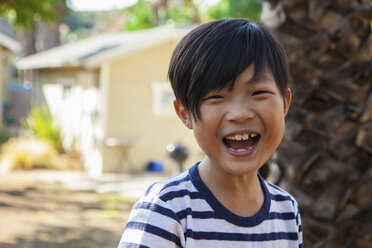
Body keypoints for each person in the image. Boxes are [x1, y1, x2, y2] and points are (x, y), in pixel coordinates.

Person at [118, 18, 303, 248]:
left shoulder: (287, 210)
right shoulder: (167, 208)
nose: (239, 114)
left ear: (285, 104)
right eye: (216, 97)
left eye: (258, 93)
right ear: (185, 113)